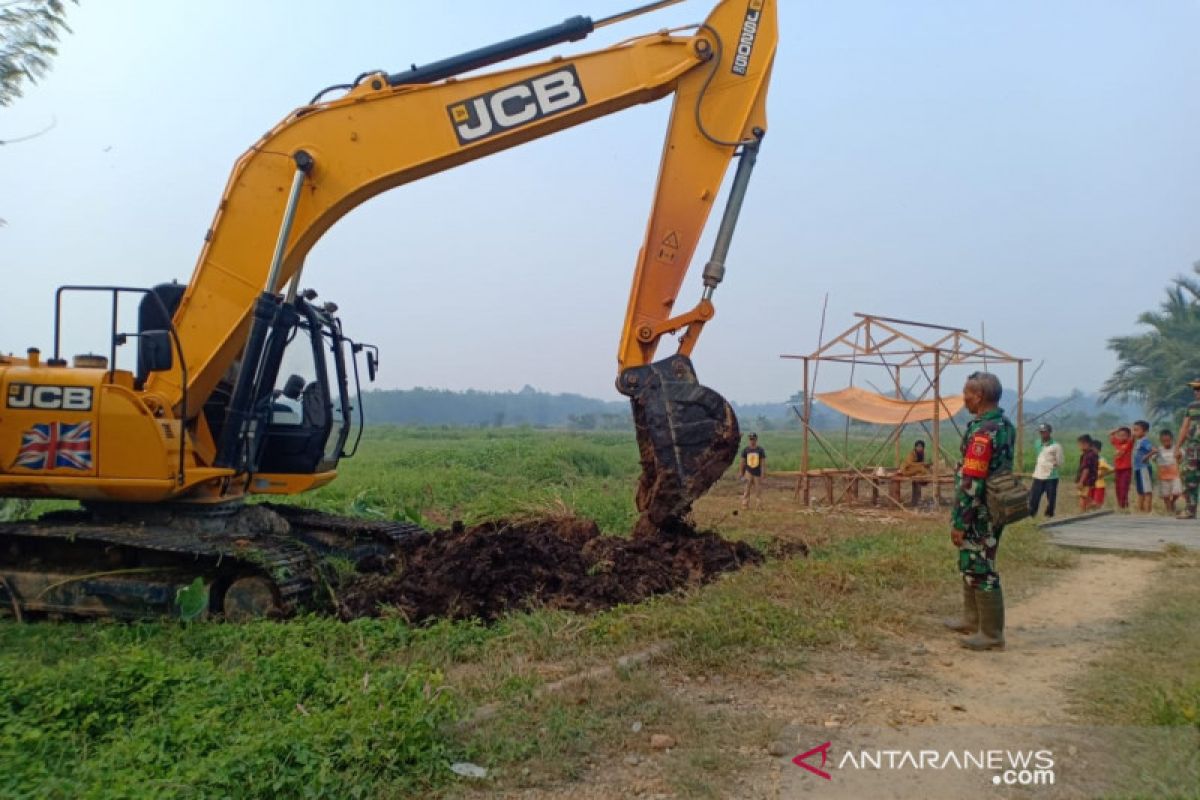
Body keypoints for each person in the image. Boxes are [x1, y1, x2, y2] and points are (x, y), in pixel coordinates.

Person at [943, 372, 1014, 652]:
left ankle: (991, 634)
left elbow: (972, 481)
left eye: (967, 394)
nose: (964, 399)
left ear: (980, 396)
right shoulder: (1004, 424)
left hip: (980, 510)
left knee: (981, 566)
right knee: (972, 562)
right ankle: (972, 620)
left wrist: (961, 520)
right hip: (996, 505)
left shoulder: (983, 432)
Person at [1028, 423, 1064, 518]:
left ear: (1049, 432)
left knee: (1051, 498)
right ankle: (1032, 515)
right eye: (1041, 432)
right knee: (1034, 497)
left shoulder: (1056, 446)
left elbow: (1060, 461)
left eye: (1045, 432)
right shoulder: (1037, 443)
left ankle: (1049, 515)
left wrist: (1051, 465)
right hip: (1038, 475)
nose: (1043, 434)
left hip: (1051, 476)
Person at [1176, 379, 1200, 519]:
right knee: (1190, 478)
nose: (1196, 392)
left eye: (1199, 389)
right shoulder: (1191, 407)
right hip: (1193, 448)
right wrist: (1177, 447)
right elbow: (1184, 428)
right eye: (1195, 390)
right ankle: (1190, 510)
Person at [1150, 429, 1183, 514]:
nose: (1166, 442)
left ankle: (1173, 502)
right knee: (1166, 495)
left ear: (1172, 439)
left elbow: (1180, 461)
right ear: (1160, 441)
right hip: (1163, 477)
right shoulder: (1159, 450)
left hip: (1175, 476)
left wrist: (1179, 456)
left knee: (1177, 492)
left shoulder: (1177, 448)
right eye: (1164, 441)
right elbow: (1153, 459)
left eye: (1168, 440)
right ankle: (1169, 511)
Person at [1132, 420, 1155, 512]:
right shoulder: (1138, 441)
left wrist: (1146, 456)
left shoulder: (1145, 441)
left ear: (1145, 431)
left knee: (1147, 491)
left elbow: (1154, 450)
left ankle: (1147, 511)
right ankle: (1140, 510)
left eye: (1137, 430)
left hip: (1144, 468)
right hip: (1138, 468)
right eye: (1134, 430)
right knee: (1140, 491)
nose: (1134, 432)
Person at [739, 432, 766, 509]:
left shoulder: (760, 450)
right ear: (749, 440)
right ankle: (745, 504)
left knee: (758, 490)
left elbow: (763, 463)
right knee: (747, 489)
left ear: (756, 439)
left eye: (753, 439)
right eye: (751, 439)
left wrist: (763, 473)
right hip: (748, 472)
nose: (752, 441)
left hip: (757, 472)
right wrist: (741, 472)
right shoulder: (745, 450)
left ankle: (759, 505)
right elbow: (742, 462)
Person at [1108, 426, 1133, 509]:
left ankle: (1124, 504)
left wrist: (1130, 429)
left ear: (1128, 436)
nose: (1122, 437)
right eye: (1120, 435)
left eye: (1124, 435)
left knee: (1124, 487)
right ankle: (1120, 505)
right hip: (1118, 469)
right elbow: (1110, 434)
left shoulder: (1129, 443)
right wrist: (1117, 429)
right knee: (1118, 488)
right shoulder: (1117, 442)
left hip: (1126, 469)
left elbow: (1134, 436)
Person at [1076, 435, 1098, 513]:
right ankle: (1091, 505)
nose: (1079, 446)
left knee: (1082, 496)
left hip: (1086, 480)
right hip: (1091, 479)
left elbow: (1086, 469)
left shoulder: (1088, 455)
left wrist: (1081, 481)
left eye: (1080, 444)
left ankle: (1082, 512)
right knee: (1086, 496)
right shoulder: (1093, 454)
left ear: (1086, 444)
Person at [1091, 438, 1111, 509]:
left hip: (1099, 485)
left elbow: (1111, 469)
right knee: (1089, 502)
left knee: (1097, 503)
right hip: (1090, 485)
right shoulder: (1088, 459)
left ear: (1099, 450)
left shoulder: (1101, 460)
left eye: (1093, 449)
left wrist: (1103, 474)